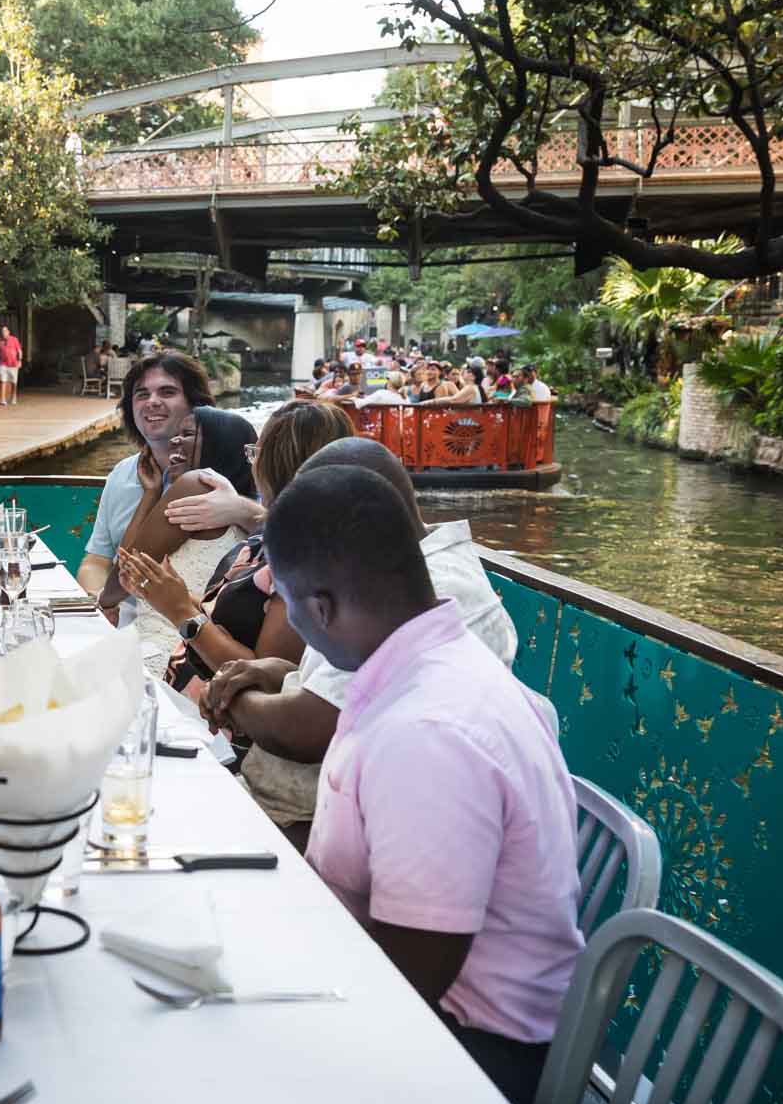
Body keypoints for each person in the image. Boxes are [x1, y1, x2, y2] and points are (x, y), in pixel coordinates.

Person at [261, 464, 583, 1104]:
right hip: (424, 1007)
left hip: (468, 1058)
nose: (296, 624)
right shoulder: (426, 669)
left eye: (292, 607)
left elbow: (406, 985)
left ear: (321, 607)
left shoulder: (426, 733)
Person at [203, 436, 517, 846]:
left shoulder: (436, 591)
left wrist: (230, 701)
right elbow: (344, 688)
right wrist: (277, 673)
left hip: (315, 827)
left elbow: (314, 728)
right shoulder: (380, 578)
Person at [118, 399, 353, 697]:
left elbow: (266, 676)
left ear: (274, 466)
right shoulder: (269, 535)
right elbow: (220, 617)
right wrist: (164, 592)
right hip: (189, 687)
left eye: (256, 455)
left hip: (218, 723)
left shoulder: (305, 560)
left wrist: (179, 611)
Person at [76, 351, 259, 614]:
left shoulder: (221, 478)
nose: (152, 402)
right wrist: (100, 604)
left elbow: (280, 532)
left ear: (196, 406)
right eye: (142, 394)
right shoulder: (122, 474)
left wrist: (241, 509)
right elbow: (98, 561)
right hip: (128, 617)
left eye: (167, 392)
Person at [0, 323, 23, 408]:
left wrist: (20, 360)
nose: (3, 333)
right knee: (3, 380)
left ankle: (13, 396)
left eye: (5, 331)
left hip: (13, 364)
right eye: (2, 331)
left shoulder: (14, 339)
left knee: (14, 382)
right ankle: (2, 399)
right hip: (3, 364)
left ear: (8, 332)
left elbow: (19, 351)